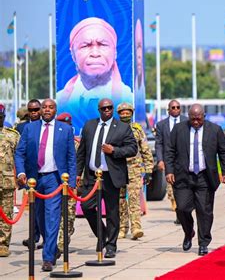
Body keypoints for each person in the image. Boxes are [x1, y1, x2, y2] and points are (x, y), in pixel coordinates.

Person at [15, 99, 77, 272]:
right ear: (40, 110)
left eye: (51, 107)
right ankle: (53, 248)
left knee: (52, 218)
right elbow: (20, 153)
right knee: (39, 219)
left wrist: (70, 182)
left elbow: (71, 157)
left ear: (56, 110)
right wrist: (21, 173)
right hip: (34, 180)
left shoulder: (64, 130)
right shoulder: (30, 128)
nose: (47, 110)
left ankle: (48, 258)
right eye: (45, 107)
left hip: (54, 180)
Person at [164, 104, 225, 256]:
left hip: (205, 177)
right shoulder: (179, 129)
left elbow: (224, 152)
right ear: (189, 117)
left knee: (204, 211)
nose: (195, 122)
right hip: (183, 176)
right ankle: (188, 232)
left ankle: (203, 242)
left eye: (198, 119)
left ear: (204, 116)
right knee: (181, 208)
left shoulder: (215, 130)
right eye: (192, 119)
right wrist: (169, 170)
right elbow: (170, 151)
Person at [76, 98, 137, 258]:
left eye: (110, 108)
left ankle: (111, 245)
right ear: (99, 110)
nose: (107, 111)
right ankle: (102, 236)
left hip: (111, 176)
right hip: (91, 177)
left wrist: (114, 151)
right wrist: (77, 173)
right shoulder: (89, 126)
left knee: (112, 212)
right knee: (87, 207)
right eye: (104, 108)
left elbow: (132, 148)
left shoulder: (122, 128)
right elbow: (81, 151)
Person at [56, 17, 133, 132]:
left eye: (102, 44)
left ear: (115, 52)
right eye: (85, 46)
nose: (95, 53)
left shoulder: (127, 97)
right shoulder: (61, 100)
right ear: (73, 54)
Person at [116, 102, 154, 240]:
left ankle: (136, 227)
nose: (125, 115)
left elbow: (145, 150)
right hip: (118, 169)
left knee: (133, 198)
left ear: (132, 113)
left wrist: (149, 170)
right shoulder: (114, 129)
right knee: (120, 200)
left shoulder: (137, 130)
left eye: (128, 112)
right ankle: (122, 228)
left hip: (134, 169)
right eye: (122, 112)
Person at [16, 99, 44, 249]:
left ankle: (47, 237)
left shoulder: (47, 126)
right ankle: (34, 236)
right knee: (33, 207)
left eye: (36, 110)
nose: (34, 113)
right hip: (30, 173)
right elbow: (19, 150)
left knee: (44, 208)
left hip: (46, 173)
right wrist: (20, 172)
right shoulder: (22, 128)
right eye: (31, 110)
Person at [155, 100, 188, 224]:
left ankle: (184, 212)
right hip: (170, 162)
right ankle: (179, 215)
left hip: (184, 162)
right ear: (168, 110)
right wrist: (160, 160)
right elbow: (159, 144)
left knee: (184, 189)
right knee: (172, 189)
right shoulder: (161, 125)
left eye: (178, 107)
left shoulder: (186, 121)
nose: (175, 109)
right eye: (173, 107)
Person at [55, 113, 81, 259]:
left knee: (69, 214)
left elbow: (79, 163)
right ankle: (56, 241)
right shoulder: (53, 141)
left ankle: (62, 242)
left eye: (67, 125)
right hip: (55, 184)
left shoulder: (77, 143)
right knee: (55, 214)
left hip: (71, 186)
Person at [0, 103, 20, 257]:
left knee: (6, 214)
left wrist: (21, 175)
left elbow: (20, 157)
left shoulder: (12, 135)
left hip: (6, 182)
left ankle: (3, 244)